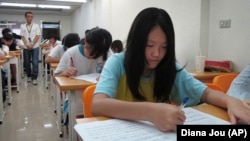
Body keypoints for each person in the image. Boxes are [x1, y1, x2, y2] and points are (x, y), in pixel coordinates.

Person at [92, 7, 250, 132]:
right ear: (136, 42)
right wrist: (150, 112)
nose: (157, 53)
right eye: (149, 45)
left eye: (165, 47)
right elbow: (98, 105)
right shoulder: (118, 62)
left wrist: (231, 101)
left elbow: (206, 93)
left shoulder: (169, 68)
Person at [54, 27, 112, 117]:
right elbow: (55, 78)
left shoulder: (107, 53)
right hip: (76, 100)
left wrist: (107, 76)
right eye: (89, 50)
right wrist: (64, 73)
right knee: (79, 120)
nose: (91, 55)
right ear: (85, 41)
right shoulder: (71, 53)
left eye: (97, 54)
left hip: (100, 99)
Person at [20, 11, 41, 85]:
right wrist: (27, 44)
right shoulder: (22, 26)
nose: (30, 18)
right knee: (27, 62)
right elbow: (22, 36)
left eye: (31, 17)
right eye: (28, 16)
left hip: (35, 47)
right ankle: (29, 76)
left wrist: (31, 44)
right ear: (25, 17)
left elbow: (38, 36)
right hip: (26, 47)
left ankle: (35, 78)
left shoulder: (36, 25)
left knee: (35, 62)